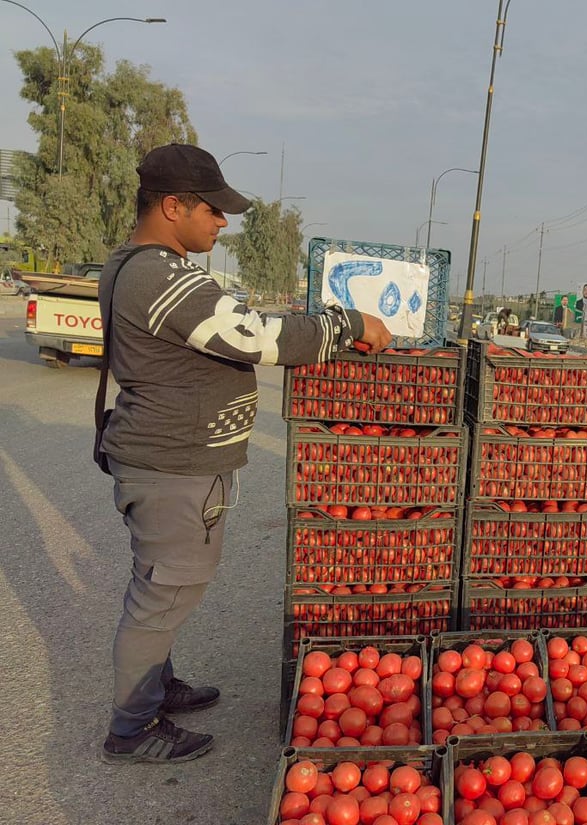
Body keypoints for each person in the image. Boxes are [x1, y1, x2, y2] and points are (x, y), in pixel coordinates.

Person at [97, 144, 391, 764]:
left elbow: (233, 321)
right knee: (164, 593)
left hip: (169, 461)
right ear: (171, 206)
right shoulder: (156, 274)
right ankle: (131, 730)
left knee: (162, 583)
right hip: (173, 467)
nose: (222, 222)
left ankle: (156, 686)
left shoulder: (146, 265)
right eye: (213, 210)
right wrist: (344, 326)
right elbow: (251, 335)